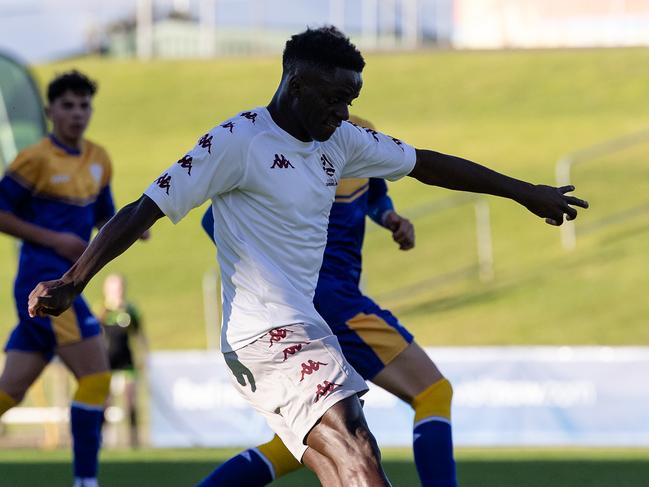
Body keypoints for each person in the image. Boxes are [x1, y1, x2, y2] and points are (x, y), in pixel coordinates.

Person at [28, 27, 588, 487]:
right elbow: (141, 210)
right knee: (354, 450)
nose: (343, 112)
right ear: (296, 82)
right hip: (265, 333)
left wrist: (524, 192)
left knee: (342, 458)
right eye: (335, 98)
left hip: (306, 327)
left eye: (351, 100)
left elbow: (427, 163)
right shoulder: (236, 140)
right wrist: (75, 281)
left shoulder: (339, 142)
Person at [197, 115, 456, 487]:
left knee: (301, 443)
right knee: (431, 391)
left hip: (321, 301)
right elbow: (215, 220)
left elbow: (375, 193)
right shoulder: (281, 145)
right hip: (332, 302)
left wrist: (390, 217)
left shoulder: (361, 135)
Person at [0, 71, 115, 487]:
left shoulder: (100, 158)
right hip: (46, 286)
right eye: (67, 105)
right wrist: (56, 239)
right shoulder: (33, 159)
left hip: (67, 281)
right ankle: (86, 481)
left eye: (84, 105)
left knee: (9, 391)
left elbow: (105, 214)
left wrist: (134, 228)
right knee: (97, 378)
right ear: (50, 111)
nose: (77, 113)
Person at [99, 273, 147, 448]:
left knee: (130, 401)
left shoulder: (130, 311)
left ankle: (134, 441)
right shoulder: (102, 312)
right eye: (113, 287)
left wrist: (143, 357)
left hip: (127, 363)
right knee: (105, 403)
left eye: (119, 286)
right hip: (107, 364)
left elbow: (140, 337)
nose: (117, 291)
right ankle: (103, 440)